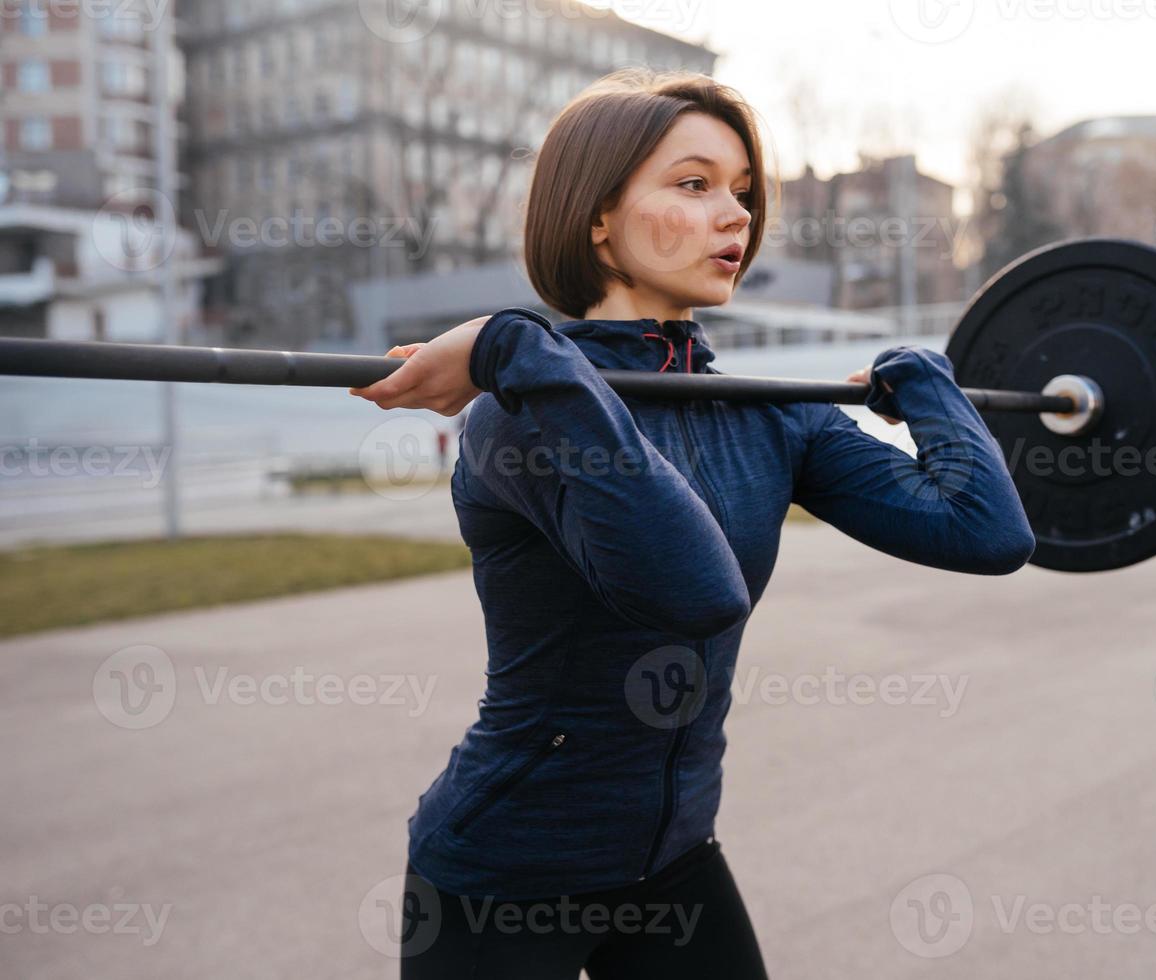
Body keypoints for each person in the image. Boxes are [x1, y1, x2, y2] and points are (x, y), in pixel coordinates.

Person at [349, 68, 1035, 979]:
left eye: (743, 194)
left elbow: (986, 532)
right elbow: (691, 591)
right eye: (694, 184)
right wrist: (513, 347)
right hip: (505, 874)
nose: (736, 216)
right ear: (598, 216)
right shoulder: (521, 418)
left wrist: (925, 380)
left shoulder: (765, 413)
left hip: (670, 859)